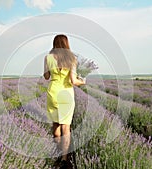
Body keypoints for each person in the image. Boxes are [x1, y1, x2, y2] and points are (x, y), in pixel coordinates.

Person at [43, 34, 85, 169]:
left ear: (54, 44)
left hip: (53, 93)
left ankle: (57, 150)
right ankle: (64, 158)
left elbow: (46, 76)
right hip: (66, 94)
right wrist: (82, 81)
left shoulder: (48, 58)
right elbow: (73, 81)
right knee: (66, 127)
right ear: (67, 44)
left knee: (55, 125)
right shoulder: (72, 59)